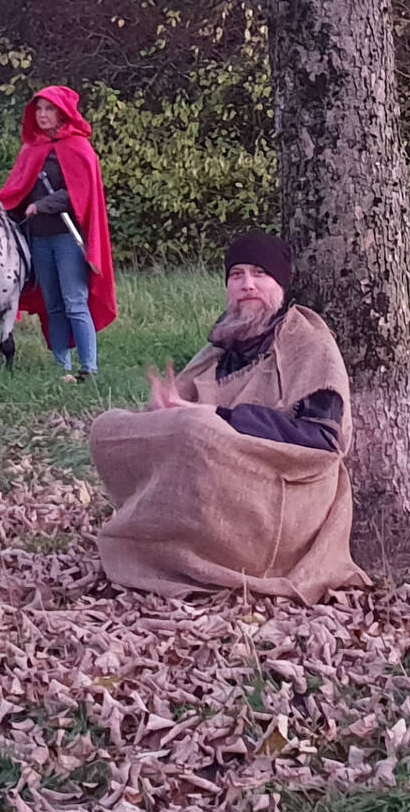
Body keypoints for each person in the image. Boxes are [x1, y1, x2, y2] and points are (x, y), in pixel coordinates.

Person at [88, 233, 369, 603]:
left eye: (259, 273)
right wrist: (162, 413)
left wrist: (220, 417)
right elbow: (180, 416)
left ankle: (205, 554)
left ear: (281, 284)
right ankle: (164, 544)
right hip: (223, 498)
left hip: (285, 503)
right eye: (237, 275)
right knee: (107, 427)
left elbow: (324, 439)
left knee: (197, 428)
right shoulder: (220, 346)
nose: (247, 284)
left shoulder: (309, 342)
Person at [0, 86, 117, 380]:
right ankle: (62, 367)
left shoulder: (79, 147)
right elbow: (17, 191)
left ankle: (89, 368)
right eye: (38, 109)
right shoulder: (31, 149)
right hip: (38, 239)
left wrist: (42, 205)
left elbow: (80, 193)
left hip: (67, 238)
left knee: (75, 301)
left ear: (63, 113)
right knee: (52, 305)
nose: (42, 115)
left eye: (49, 109)